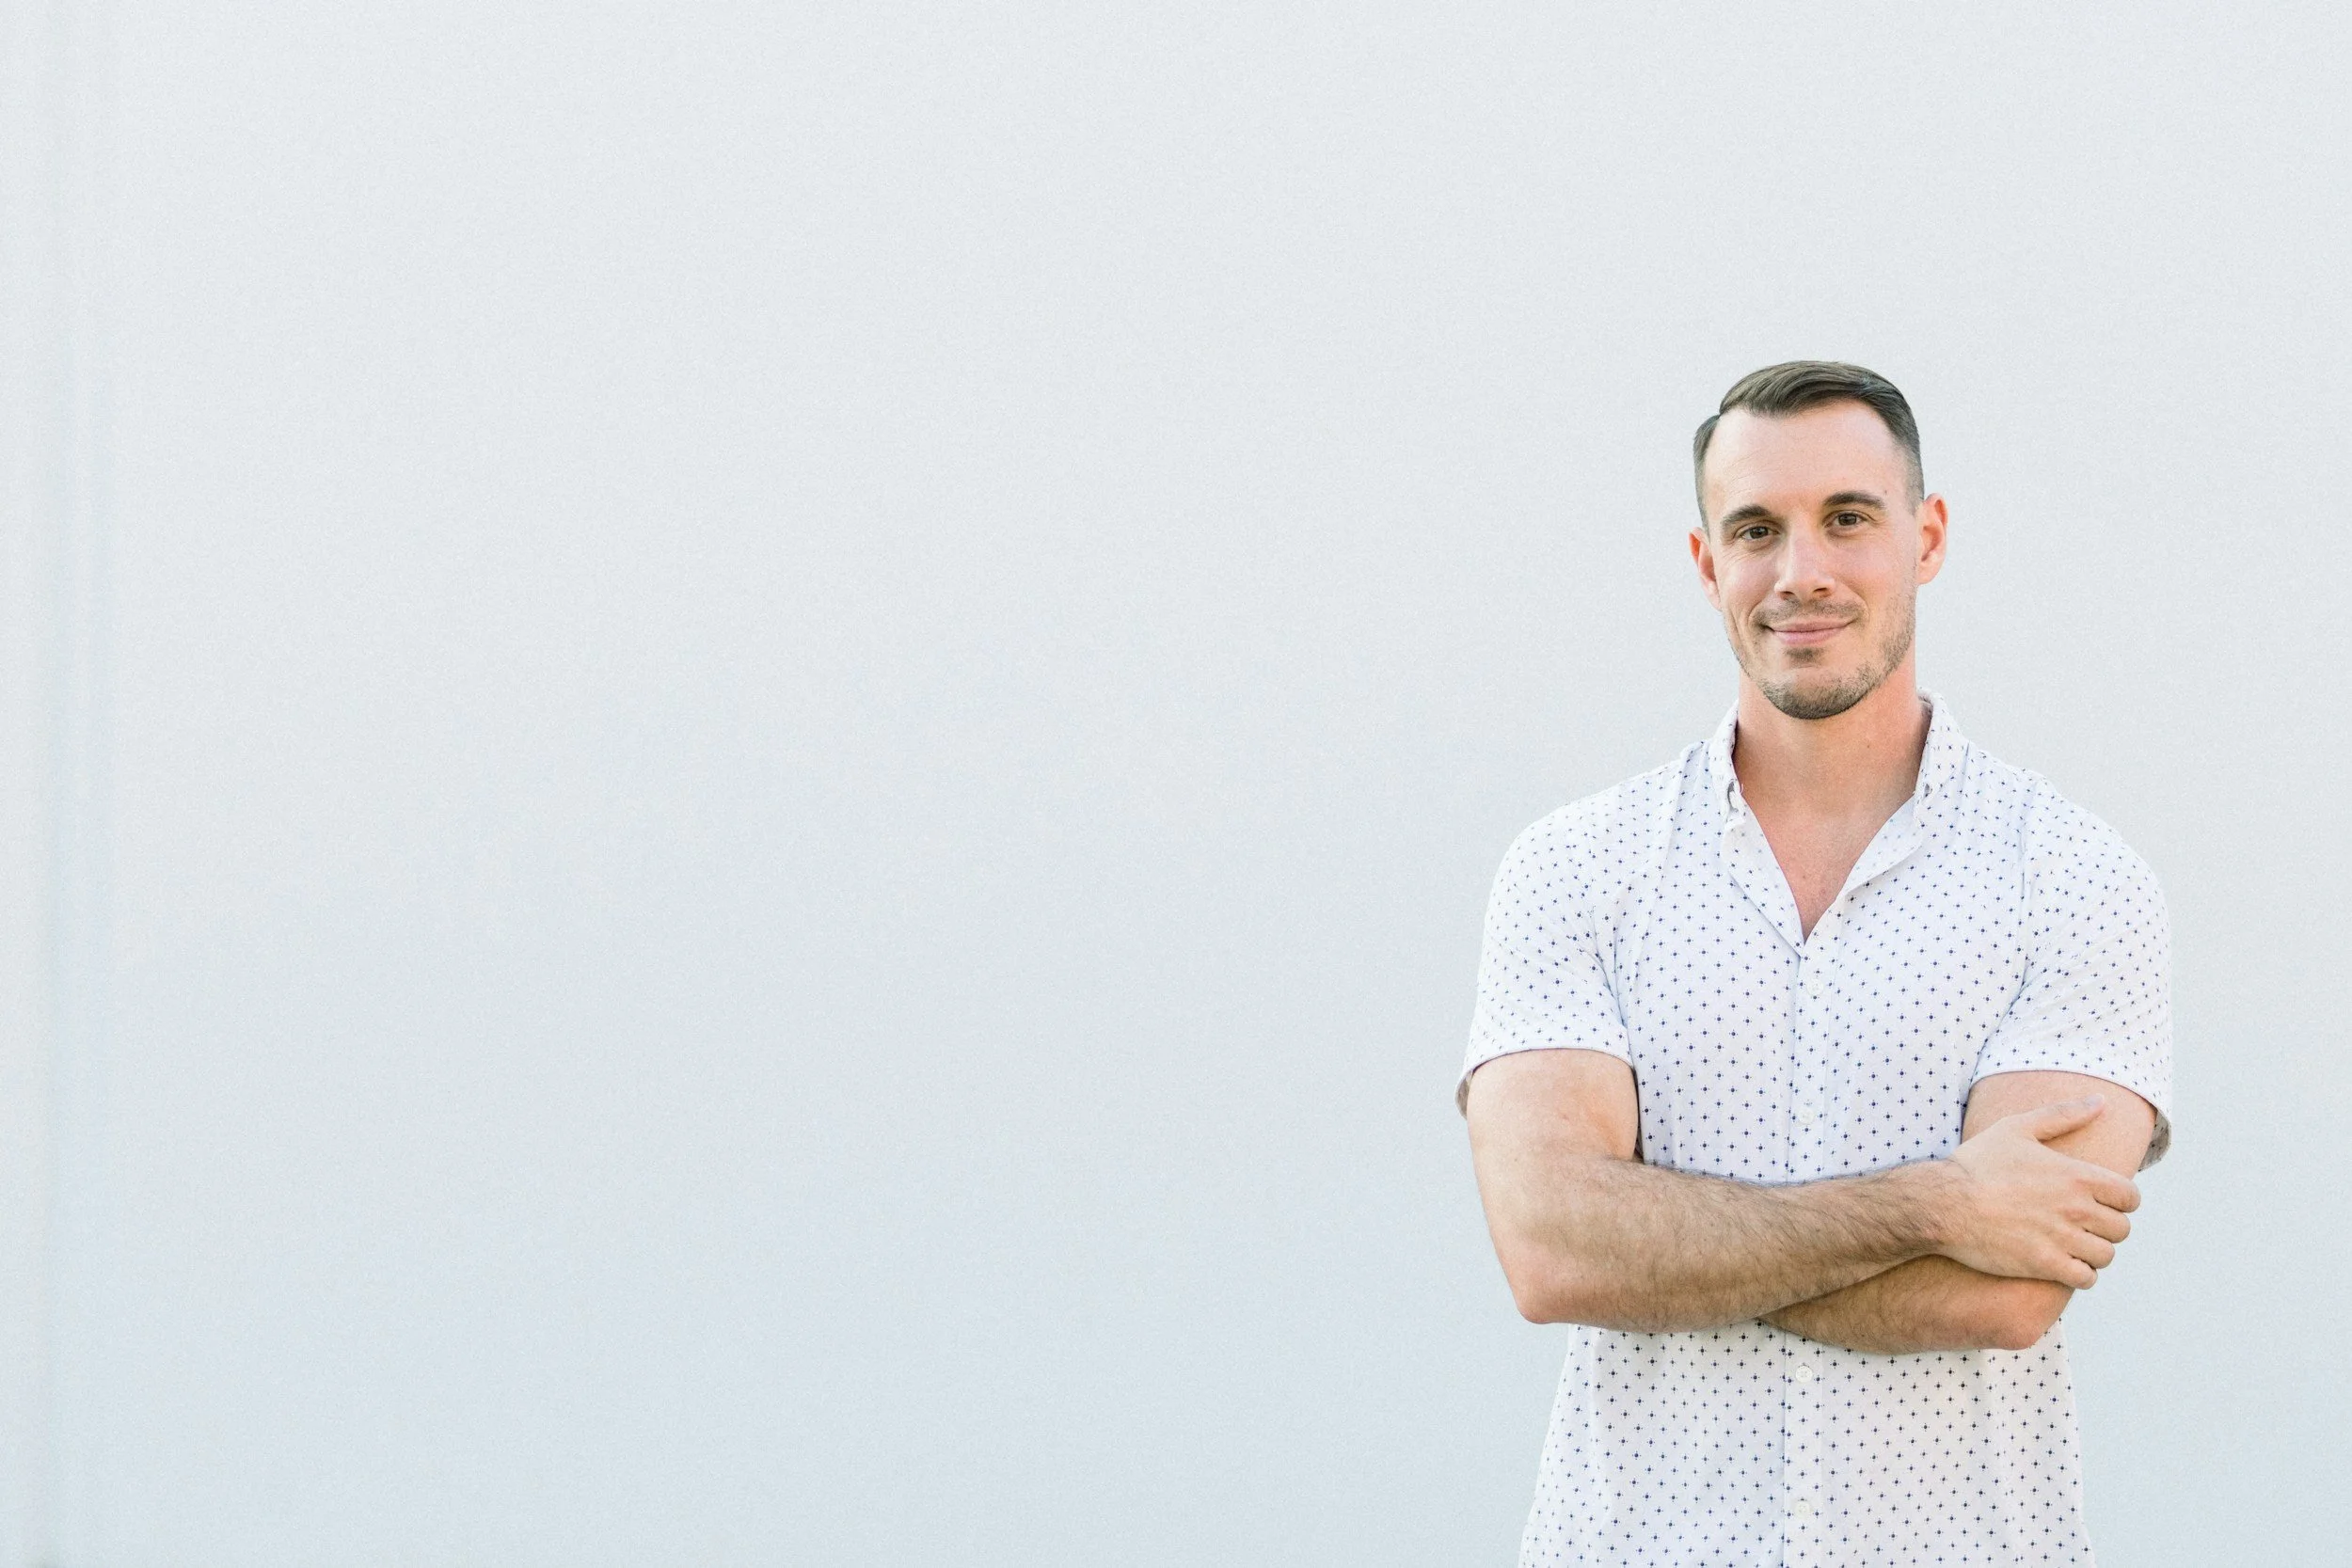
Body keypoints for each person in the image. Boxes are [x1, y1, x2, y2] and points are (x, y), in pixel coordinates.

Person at [1459, 361, 2171, 1566]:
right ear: (1705, 564)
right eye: (1755, 530)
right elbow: (1547, 1250)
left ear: (1925, 536)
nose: (1802, 572)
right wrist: (1937, 1202)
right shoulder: (1575, 868)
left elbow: (2003, 1294)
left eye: (1847, 517)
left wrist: (1651, 1240)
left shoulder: (2076, 878)